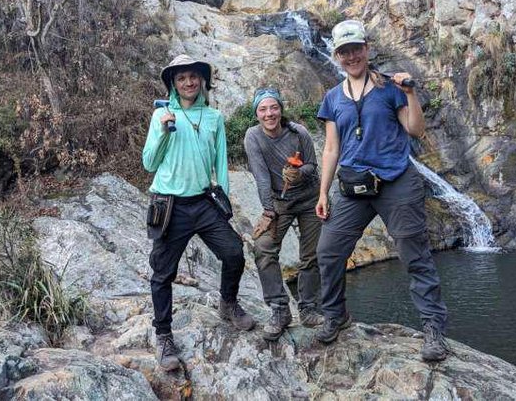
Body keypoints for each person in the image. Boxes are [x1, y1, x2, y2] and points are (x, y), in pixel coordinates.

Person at [314, 20, 450, 362]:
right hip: (352, 185)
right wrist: (322, 193)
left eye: (356, 49)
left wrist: (410, 93)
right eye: (344, 51)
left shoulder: (390, 87)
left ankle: (433, 329)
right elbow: (331, 148)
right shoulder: (332, 98)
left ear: (366, 49)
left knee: (414, 254)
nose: (351, 56)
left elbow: (415, 129)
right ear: (337, 56)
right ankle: (336, 315)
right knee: (329, 252)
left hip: (396, 182)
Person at [142, 54, 255, 371]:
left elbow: (220, 162)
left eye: (193, 76)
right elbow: (149, 163)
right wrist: (164, 130)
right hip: (170, 205)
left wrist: (225, 201)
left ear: (202, 81)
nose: (189, 82)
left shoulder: (214, 117)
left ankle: (228, 303)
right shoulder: (162, 116)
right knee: (163, 273)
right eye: (181, 78)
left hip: (204, 202)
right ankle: (164, 336)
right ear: (173, 84)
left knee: (234, 253)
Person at [244, 88, 324, 341]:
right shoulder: (253, 137)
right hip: (279, 202)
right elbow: (261, 176)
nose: (269, 114)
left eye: (273, 107)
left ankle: (309, 309)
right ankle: (280, 309)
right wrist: (268, 210)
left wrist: (299, 173)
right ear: (257, 113)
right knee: (264, 248)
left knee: (311, 255)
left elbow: (313, 165)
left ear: (280, 108)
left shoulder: (298, 132)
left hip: (310, 198)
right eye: (263, 109)